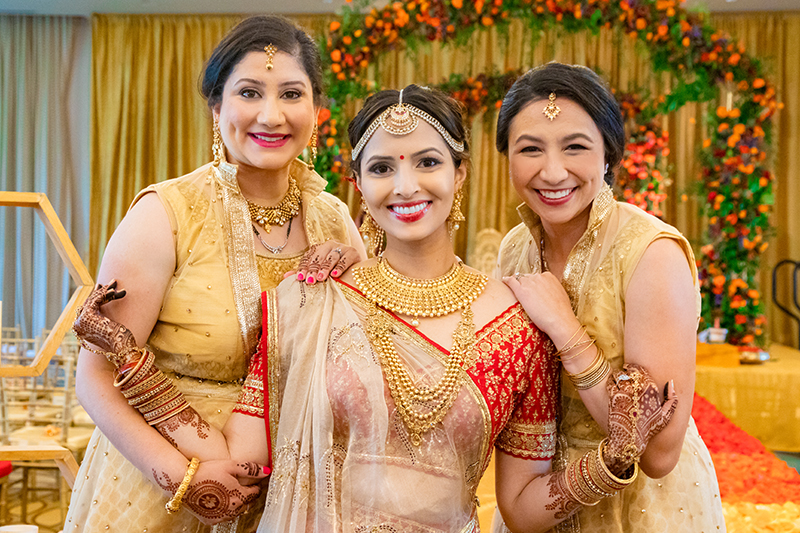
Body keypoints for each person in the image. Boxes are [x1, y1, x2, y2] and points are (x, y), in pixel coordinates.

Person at [73, 84, 677, 533]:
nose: (406, 186)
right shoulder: (308, 301)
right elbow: (240, 465)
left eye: (428, 162)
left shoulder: (518, 327)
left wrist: (610, 459)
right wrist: (131, 361)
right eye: (383, 167)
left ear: (460, 173)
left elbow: (521, 509)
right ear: (358, 186)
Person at [66, 15, 364, 532]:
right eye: (249, 92)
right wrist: (184, 479)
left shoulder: (334, 220)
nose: (271, 116)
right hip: (157, 490)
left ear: (316, 110)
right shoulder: (166, 215)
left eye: (291, 94)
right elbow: (94, 378)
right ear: (217, 105)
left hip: (291, 493)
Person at [494, 62, 726, 532]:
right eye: (530, 149)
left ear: (608, 156)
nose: (552, 171)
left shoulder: (651, 253)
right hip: (538, 498)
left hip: (639, 508)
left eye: (575, 147)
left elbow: (660, 454)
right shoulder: (515, 248)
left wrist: (565, 328)